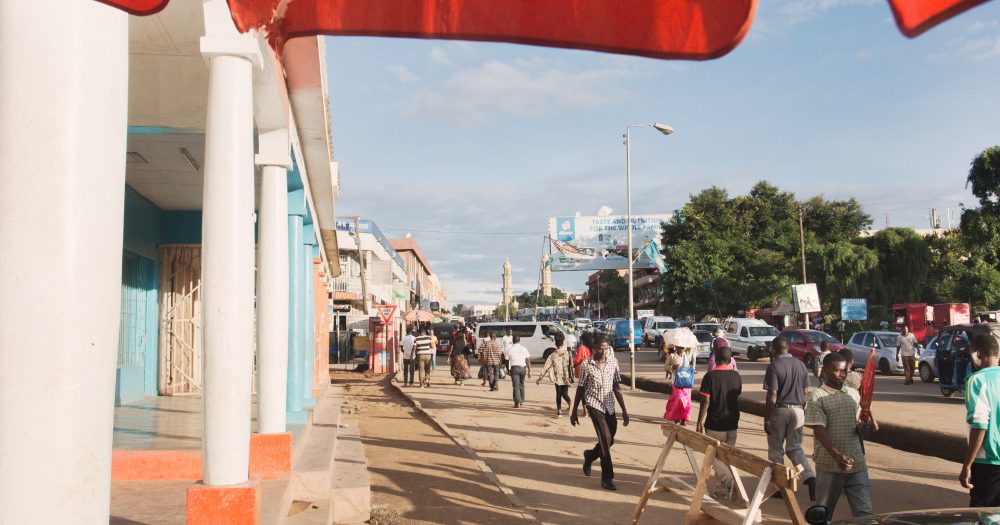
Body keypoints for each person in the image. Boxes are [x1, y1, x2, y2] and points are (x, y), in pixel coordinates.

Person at [805, 352, 873, 518]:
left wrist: (863, 427)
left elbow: (857, 424)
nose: (842, 374)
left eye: (845, 371)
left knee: (865, 513)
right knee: (823, 513)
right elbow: (819, 429)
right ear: (826, 371)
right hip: (829, 465)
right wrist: (836, 455)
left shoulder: (853, 394)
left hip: (856, 464)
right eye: (838, 371)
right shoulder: (817, 397)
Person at [571, 334, 630, 491]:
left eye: (606, 349)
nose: (604, 352)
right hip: (594, 404)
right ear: (593, 349)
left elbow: (616, 387)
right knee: (605, 440)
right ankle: (607, 478)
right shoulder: (586, 365)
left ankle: (590, 456)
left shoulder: (613, 362)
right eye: (600, 349)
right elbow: (581, 388)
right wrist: (574, 411)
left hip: (609, 405)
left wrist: (624, 410)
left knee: (610, 440)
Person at [763, 336, 816, 499]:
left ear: (773, 349)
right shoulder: (801, 365)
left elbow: (772, 394)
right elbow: (806, 391)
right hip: (798, 410)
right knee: (795, 448)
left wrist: (767, 418)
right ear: (788, 348)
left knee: (776, 449)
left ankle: (780, 486)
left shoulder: (774, 366)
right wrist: (801, 407)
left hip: (780, 410)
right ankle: (809, 476)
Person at [696, 346, 743, 500]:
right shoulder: (736, 376)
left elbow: (706, 400)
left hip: (715, 423)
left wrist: (699, 422)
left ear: (715, 359)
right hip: (732, 423)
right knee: (727, 458)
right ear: (730, 360)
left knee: (714, 457)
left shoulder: (710, 377)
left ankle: (729, 481)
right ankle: (721, 490)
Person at [960, 332, 1000, 507]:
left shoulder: (977, 380)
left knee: (983, 515)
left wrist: (967, 465)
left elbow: (980, 425)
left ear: (979, 353)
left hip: (988, 463)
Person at [537, 332, 575, 417]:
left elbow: (546, 367)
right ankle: (570, 402)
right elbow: (571, 365)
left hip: (557, 378)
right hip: (566, 377)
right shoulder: (567, 353)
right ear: (563, 342)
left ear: (555, 343)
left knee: (558, 394)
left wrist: (540, 378)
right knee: (565, 393)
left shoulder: (552, 355)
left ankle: (559, 411)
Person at [664, 343, 696, 425]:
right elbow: (666, 366)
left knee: (687, 401)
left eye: (682, 347)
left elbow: (693, 347)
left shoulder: (688, 355)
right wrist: (672, 368)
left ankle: (684, 418)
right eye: (679, 347)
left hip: (687, 383)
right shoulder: (672, 356)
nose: (681, 348)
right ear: (676, 347)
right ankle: (677, 417)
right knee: (679, 400)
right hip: (676, 382)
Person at [507, 335, 532, 408]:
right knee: (521, 384)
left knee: (516, 386)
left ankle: (517, 402)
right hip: (523, 369)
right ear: (519, 340)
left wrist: (508, 370)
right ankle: (521, 402)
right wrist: (529, 371)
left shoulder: (510, 349)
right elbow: (528, 360)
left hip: (514, 368)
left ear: (512, 341)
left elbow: (506, 360)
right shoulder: (524, 349)